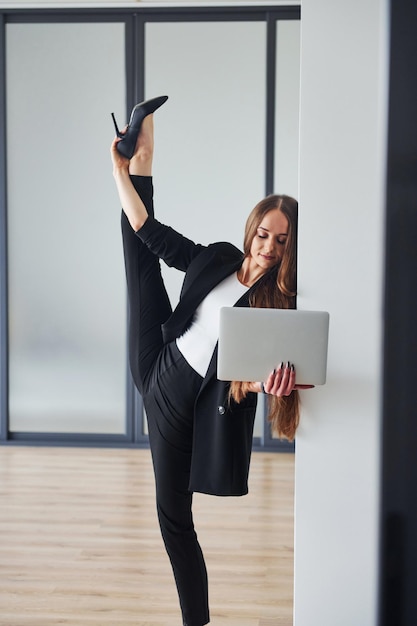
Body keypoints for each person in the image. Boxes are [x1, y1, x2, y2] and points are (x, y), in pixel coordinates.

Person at [110, 97, 312, 626]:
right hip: (156, 359)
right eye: (264, 234)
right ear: (251, 229)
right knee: (139, 253)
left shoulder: (278, 306)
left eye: (281, 241)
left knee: (175, 525)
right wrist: (120, 173)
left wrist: (275, 386)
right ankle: (142, 155)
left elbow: (273, 379)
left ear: (291, 250)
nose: (268, 248)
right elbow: (158, 238)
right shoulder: (222, 257)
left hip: (185, 414)